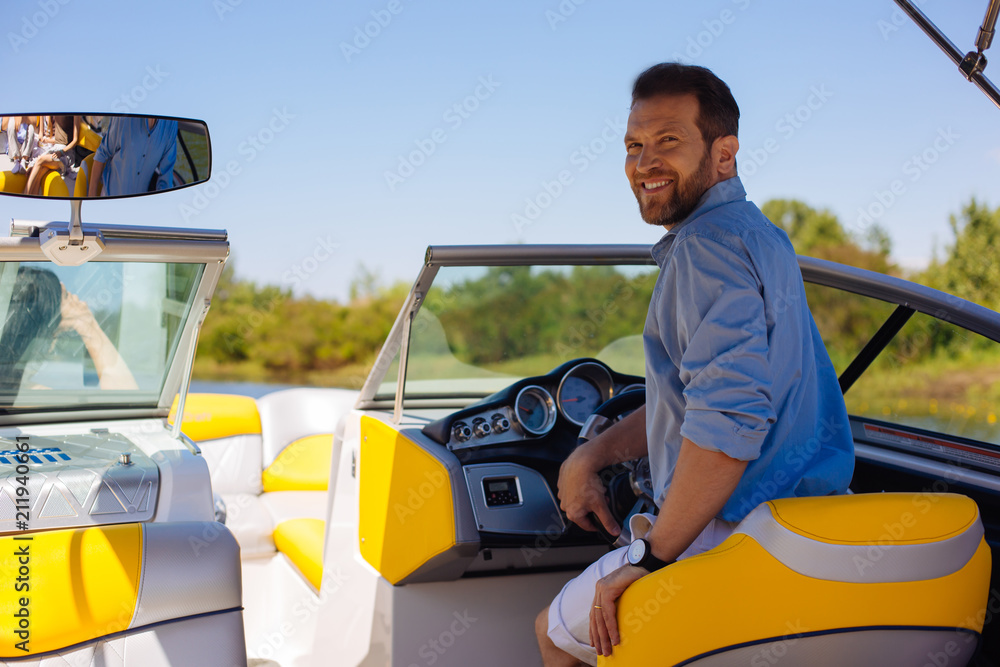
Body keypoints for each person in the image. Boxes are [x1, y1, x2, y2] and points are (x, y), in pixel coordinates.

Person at [535, 63, 855, 666]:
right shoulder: (761, 237)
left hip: (732, 531)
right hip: (808, 523)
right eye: (634, 146)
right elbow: (693, 401)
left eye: (668, 142)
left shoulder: (703, 250)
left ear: (723, 153)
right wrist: (593, 454)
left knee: (555, 637)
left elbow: (729, 422)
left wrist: (651, 558)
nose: (644, 163)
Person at [0, 266, 138, 393]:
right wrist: (88, 325)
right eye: (54, 335)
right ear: (42, 340)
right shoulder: (31, 397)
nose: (81, 302)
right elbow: (128, 397)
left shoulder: (13, 395)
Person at [88, 116, 177, 197]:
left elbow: (166, 175)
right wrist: (92, 200)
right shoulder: (125, 117)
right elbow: (102, 153)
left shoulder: (171, 124)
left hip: (138, 205)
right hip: (110, 198)